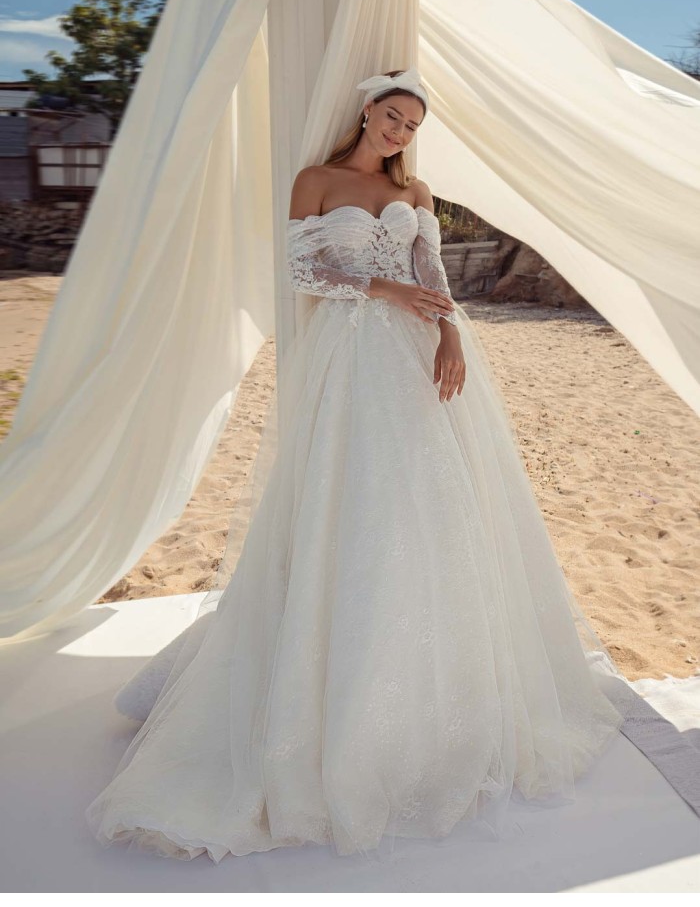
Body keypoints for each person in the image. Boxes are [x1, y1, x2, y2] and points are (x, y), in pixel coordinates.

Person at [84, 68, 624, 864]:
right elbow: (302, 273)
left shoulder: (417, 192)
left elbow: (433, 278)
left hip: (417, 351)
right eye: (393, 116)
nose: (401, 132)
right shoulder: (317, 179)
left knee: (432, 504)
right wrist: (382, 291)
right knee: (354, 500)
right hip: (352, 353)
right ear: (368, 111)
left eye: (412, 125)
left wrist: (449, 334)